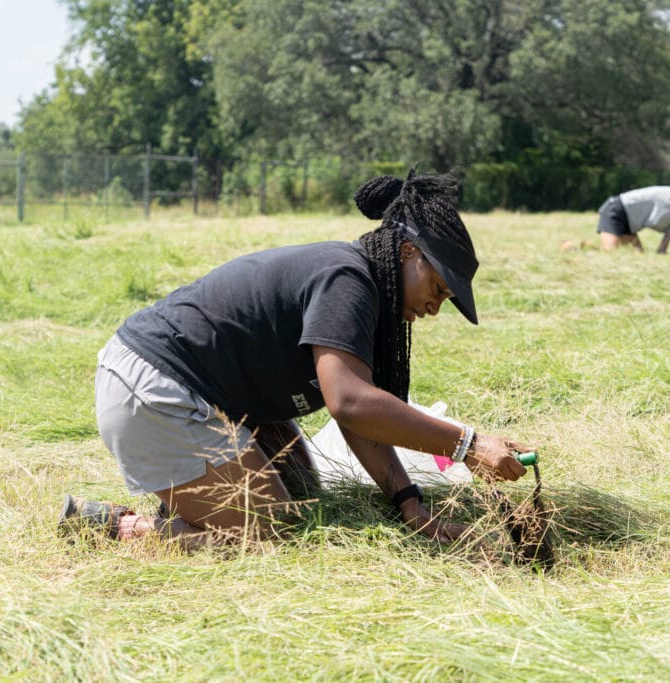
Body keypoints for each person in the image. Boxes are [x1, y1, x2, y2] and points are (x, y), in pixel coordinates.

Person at [59, 170, 536, 548]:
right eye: (437, 288)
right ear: (408, 251)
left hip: (200, 391)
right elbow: (350, 403)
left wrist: (411, 506)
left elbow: (362, 418)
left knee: (306, 495)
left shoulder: (362, 288)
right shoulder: (349, 280)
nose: (435, 307)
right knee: (268, 531)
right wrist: (467, 444)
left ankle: (191, 506)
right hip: (154, 388)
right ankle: (118, 528)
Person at [563, 186, 670, 254]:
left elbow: (662, 248)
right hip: (617, 210)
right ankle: (574, 247)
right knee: (610, 254)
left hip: (630, 226)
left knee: (637, 255)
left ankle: (588, 245)